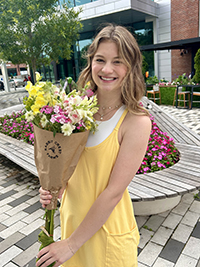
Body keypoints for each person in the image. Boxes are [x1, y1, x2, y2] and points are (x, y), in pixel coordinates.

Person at [36, 24, 151, 267]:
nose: (107, 69)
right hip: (71, 224)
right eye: (100, 59)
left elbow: (113, 193)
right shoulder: (75, 110)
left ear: (131, 67)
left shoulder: (135, 122)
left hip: (106, 233)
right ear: (91, 63)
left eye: (118, 61)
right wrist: (53, 188)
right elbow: (71, 169)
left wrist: (70, 244)